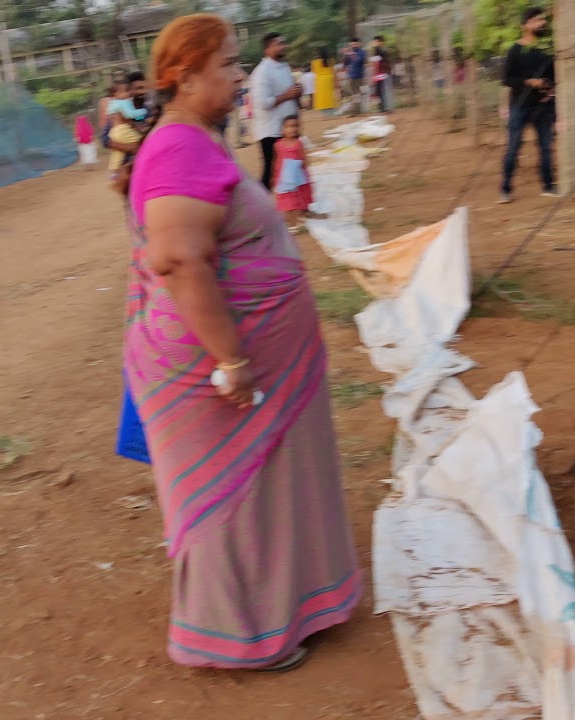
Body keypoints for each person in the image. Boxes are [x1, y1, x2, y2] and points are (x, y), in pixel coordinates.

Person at [119, 13, 360, 673]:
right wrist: (232, 360)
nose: (237, 75)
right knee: (236, 501)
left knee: (268, 494)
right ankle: (241, 636)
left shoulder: (195, 140)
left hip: (257, 364)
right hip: (217, 371)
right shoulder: (176, 149)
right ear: (184, 76)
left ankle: (284, 608)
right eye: (227, 64)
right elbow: (179, 260)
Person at [500, 6, 558, 203]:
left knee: (546, 147)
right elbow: (507, 79)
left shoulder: (548, 49)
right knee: (514, 147)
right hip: (520, 106)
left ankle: (549, 186)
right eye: (536, 21)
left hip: (544, 105)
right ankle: (506, 188)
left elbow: (555, 76)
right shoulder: (515, 50)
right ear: (524, 26)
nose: (541, 23)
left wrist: (549, 87)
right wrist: (529, 82)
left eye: (542, 20)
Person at [250, 32, 302, 189]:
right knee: (271, 172)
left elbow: (289, 93)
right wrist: (286, 96)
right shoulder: (262, 72)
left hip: (287, 128)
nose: (283, 46)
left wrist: (297, 92)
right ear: (267, 49)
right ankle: (260, 208)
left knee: (291, 169)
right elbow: (262, 102)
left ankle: (293, 206)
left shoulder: (284, 67)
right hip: (271, 131)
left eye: (283, 43)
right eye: (278, 44)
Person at [272, 116, 312, 234]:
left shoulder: (298, 143)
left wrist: (304, 173)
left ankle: (298, 221)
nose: (292, 129)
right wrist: (275, 177)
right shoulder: (278, 145)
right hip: (284, 177)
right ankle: (291, 223)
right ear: (282, 130)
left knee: (297, 198)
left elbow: (303, 158)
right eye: (289, 126)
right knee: (287, 200)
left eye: (295, 126)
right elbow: (277, 161)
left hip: (297, 176)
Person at [370, 36, 395, 113]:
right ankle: (382, 107)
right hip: (379, 73)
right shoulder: (375, 51)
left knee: (386, 90)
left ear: (381, 42)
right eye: (375, 42)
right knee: (379, 91)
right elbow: (374, 63)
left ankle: (388, 107)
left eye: (377, 41)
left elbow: (381, 60)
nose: (376, 43)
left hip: (385, 72)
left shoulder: (384, 50)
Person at [343, 38, 368, 114]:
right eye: (352, 45)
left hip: (359, 75)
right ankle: (355, 109)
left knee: (360, 92)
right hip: (351, 76)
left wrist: (352, 54)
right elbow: (345, 63)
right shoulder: (350, 53)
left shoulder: (362, 52)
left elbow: (360, 60)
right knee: (354, 93)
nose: (353, 46)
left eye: (355, 44)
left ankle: (358, 109)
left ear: (358, 44)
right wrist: (346, 54)